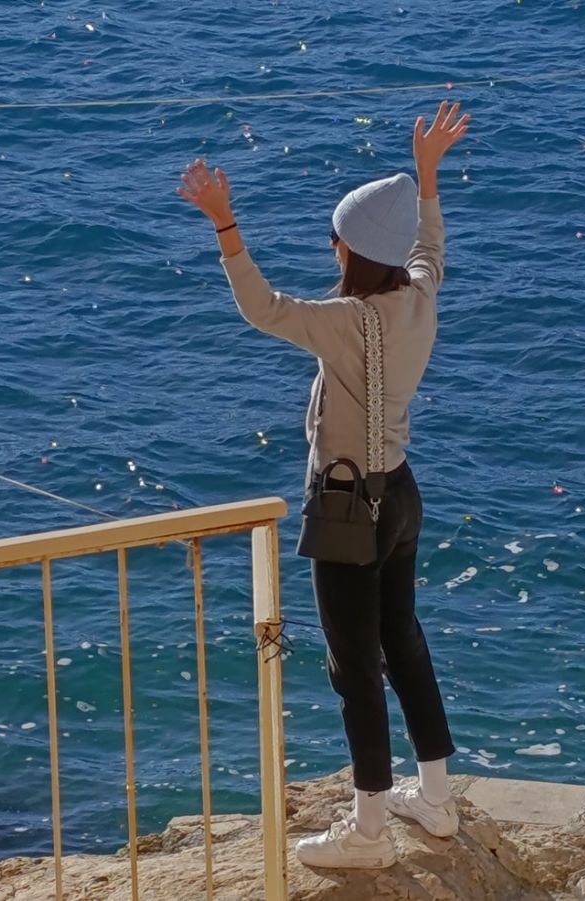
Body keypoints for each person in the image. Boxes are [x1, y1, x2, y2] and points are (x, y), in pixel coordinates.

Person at [177, 100, 471, 869]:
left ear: (351, 253)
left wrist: (223, 222)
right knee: (404, 641)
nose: (330, 246)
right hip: (400, 493)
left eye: (335, 237)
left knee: (354, 667)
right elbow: (431, 244)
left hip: (348, 510)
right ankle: (437, 800)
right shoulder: (420, 294)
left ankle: (369, 831)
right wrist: (427, 176)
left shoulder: (345, 322)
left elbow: (262, 308)